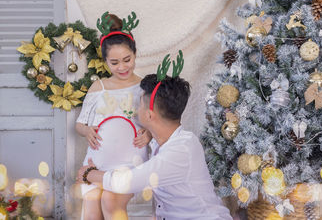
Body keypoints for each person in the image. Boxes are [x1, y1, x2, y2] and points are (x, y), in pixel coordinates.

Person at [77, 52, 233, 220]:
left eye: (140, 104)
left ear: (150, 115)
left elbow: (128, 181)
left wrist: (89, 173)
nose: (136, 109)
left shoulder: (182, 148)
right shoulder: (161, 142)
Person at [75, 12, 152, 220]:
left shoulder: (144, 87)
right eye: (115, 62)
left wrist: (149, 135)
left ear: (135, 54)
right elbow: (80, 124)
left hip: (130, 163)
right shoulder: (98, 87)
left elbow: (155, 123)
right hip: (97, 162)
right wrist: (86, 130)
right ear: (106, 61)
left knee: (111, 200)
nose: (122, 67)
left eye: (127, 60)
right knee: (92, 212)